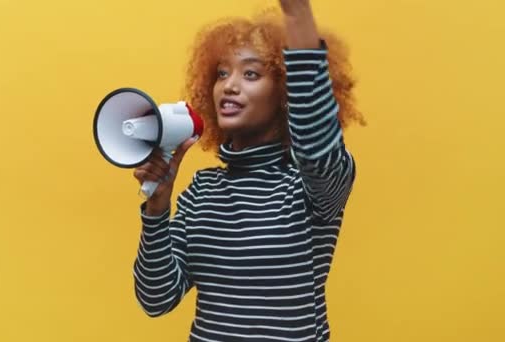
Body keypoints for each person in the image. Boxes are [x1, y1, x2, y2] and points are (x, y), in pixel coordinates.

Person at [132, 1, 365, 341]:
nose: (229, 86)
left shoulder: (310, 187)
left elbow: (315, 144)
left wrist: (297, 14)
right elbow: (156, 299)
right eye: (222, 73)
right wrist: (156, 210)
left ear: (285, 93)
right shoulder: (202, 191)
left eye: (251, 74)